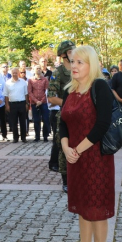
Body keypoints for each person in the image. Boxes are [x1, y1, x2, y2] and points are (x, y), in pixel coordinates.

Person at [59, 45, 114, 242]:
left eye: (80, 62)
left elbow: (102, 124)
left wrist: (78, 149)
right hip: (75, 158)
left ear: (91, 64)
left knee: (96, 210)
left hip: (95, 159)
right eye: (73, 61)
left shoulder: (100, 86)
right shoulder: (69, 90)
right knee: (82, 208)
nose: (74, 66)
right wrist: (66, 149)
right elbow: (62, 124)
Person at [47, 40, 76, 192]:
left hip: (81, 115)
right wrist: (70, 103)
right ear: (64, 54)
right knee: (63, 147)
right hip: (64, 115)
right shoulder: (58, 73)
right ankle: (66, 180)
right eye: (71, 51)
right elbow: (51, 97)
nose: (74, 52)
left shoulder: (81, 67)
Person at [28, 64, 50, 142]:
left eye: (39, 68)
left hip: (43, 103)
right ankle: (37, 136)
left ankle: (45, 136)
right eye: (37, 68)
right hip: (34, 103)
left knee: (45, 119)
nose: (38, 70)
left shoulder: (45, 80)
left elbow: (46, 91)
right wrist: (36, 101)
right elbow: (30, 92)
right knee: (36, 120)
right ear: (34, 70)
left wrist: (41, 100)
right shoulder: (30, 80)